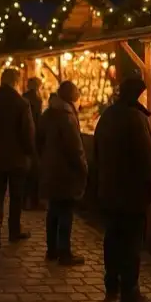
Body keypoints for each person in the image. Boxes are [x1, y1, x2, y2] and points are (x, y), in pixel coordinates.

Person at [95, 76, 151, 302]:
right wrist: (150, 184)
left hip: (110, 189)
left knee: (112, 237)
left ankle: (112, 284)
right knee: (131, 242)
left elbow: (98, 152)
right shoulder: (135, 118)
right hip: (131, 191)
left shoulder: (108, 115)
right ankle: (130, 293)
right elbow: (145, 157)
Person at [0, 68, 35, 249]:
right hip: (17, 158)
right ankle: (14, 230)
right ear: (16, 81)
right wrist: (31, 153)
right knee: (16, 195)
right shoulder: (21, 104)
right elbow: (27, 133)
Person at [40, 81, 87, 265]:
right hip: (65, 171)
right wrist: (83, 168)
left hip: (51, 169)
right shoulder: (67, 116)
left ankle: (52, 250)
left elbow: (39, 138)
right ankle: (64, 253)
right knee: (66, 212)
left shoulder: (49, 113)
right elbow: (75, 148)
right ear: (73, 98)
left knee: (53, 210)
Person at [23, 77, 44, 211]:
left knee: (27, 172)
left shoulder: (23, 98)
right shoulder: (36, 99)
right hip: (33, 137)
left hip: (25, 138)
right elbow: (37, 119)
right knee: (34, 172)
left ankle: (25, 201)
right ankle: (34, 200)